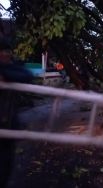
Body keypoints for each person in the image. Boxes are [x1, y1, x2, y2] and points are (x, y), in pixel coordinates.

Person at [0, 38, 33, 187]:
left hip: (8, 128)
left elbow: (26, 75)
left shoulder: (13, 68)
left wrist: (5, 74)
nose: (6, 54)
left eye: (7, 51)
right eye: (2, 52)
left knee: (5, 169)